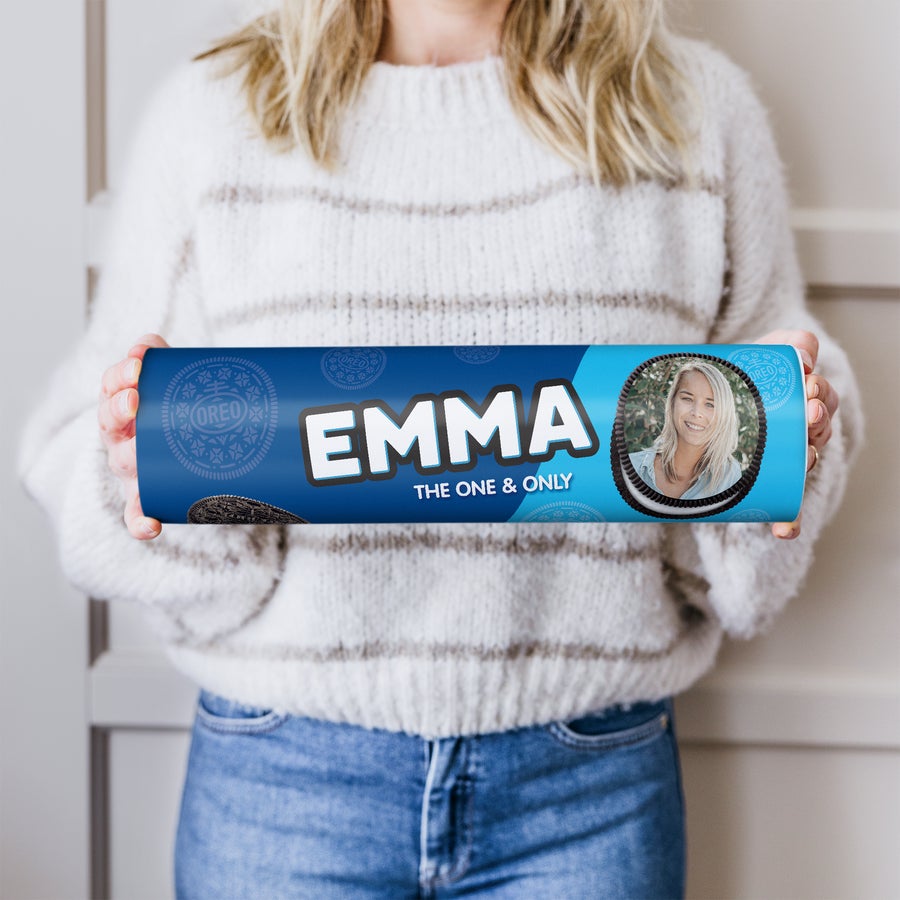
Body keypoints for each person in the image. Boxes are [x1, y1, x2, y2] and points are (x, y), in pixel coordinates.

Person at [20, 0, 857, 896]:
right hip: (284, 787)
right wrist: (136, 475)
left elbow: (772, 429)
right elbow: (85, 453)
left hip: (588, 789)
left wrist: (796, 447)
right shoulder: (216, 115)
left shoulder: (692, 112)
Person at [628, 359, 743, 501]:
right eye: (687, 399)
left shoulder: (730, 476)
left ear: (724, 414)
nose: (696, 413)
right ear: (672, 403)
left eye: (710, 404)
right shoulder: (632, 467)